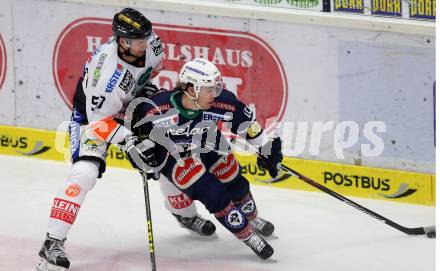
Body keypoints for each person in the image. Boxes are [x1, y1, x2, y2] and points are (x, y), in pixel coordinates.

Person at [36, 8, 213, 271]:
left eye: (146, 36)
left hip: (131, 106)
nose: (147, 42)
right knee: (84, 172)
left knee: (168, 150)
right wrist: (129, 141)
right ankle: (52, 242)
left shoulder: (151, 43)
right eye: (139, 39)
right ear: (122, 41)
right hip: (93, 117)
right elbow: (99, 123)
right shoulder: (106, 74)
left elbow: (146, 77)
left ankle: (184, 214)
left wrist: (147, 97)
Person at [129, 58, 283, 260]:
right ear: (191, 89)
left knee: (232, 175)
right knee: (212, 193)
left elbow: (246, 124)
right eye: (209, 89)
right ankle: (247, 235)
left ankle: (252, 218)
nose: (215, 94)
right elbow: (135, 138)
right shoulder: (156, 109)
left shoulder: (222, 102)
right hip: (174, 153)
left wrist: (266, 148)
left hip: (207, 139)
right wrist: (140, 156)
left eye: (216, 88)